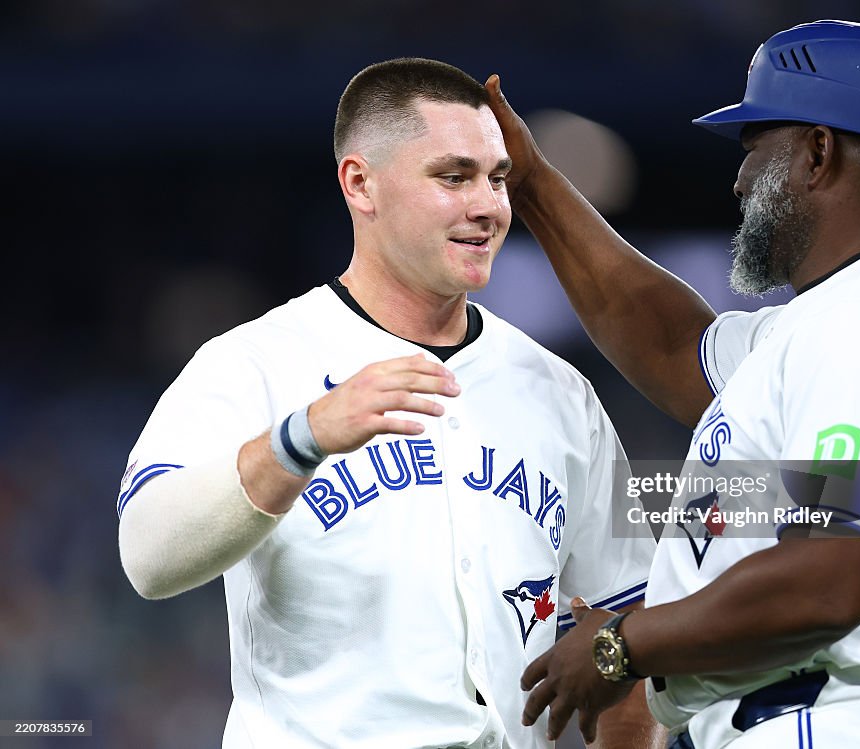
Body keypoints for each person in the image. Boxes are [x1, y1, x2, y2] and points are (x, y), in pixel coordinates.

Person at [116, 58, 663, 749]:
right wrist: (299, 439)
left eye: (497, 178)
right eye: (453, 176)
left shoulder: (559, 389)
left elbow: (622, 629)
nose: (489, 205)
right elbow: (147, 555)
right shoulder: (254, 362)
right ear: (360, 183)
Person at [484, 19, 860, 749]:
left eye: (756, 148)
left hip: (827, 721)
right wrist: (531, 185)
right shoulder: (844, 316)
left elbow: (831, 574)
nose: (740, 179)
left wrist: (620, 643)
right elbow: (672, 344)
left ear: (818, 151)